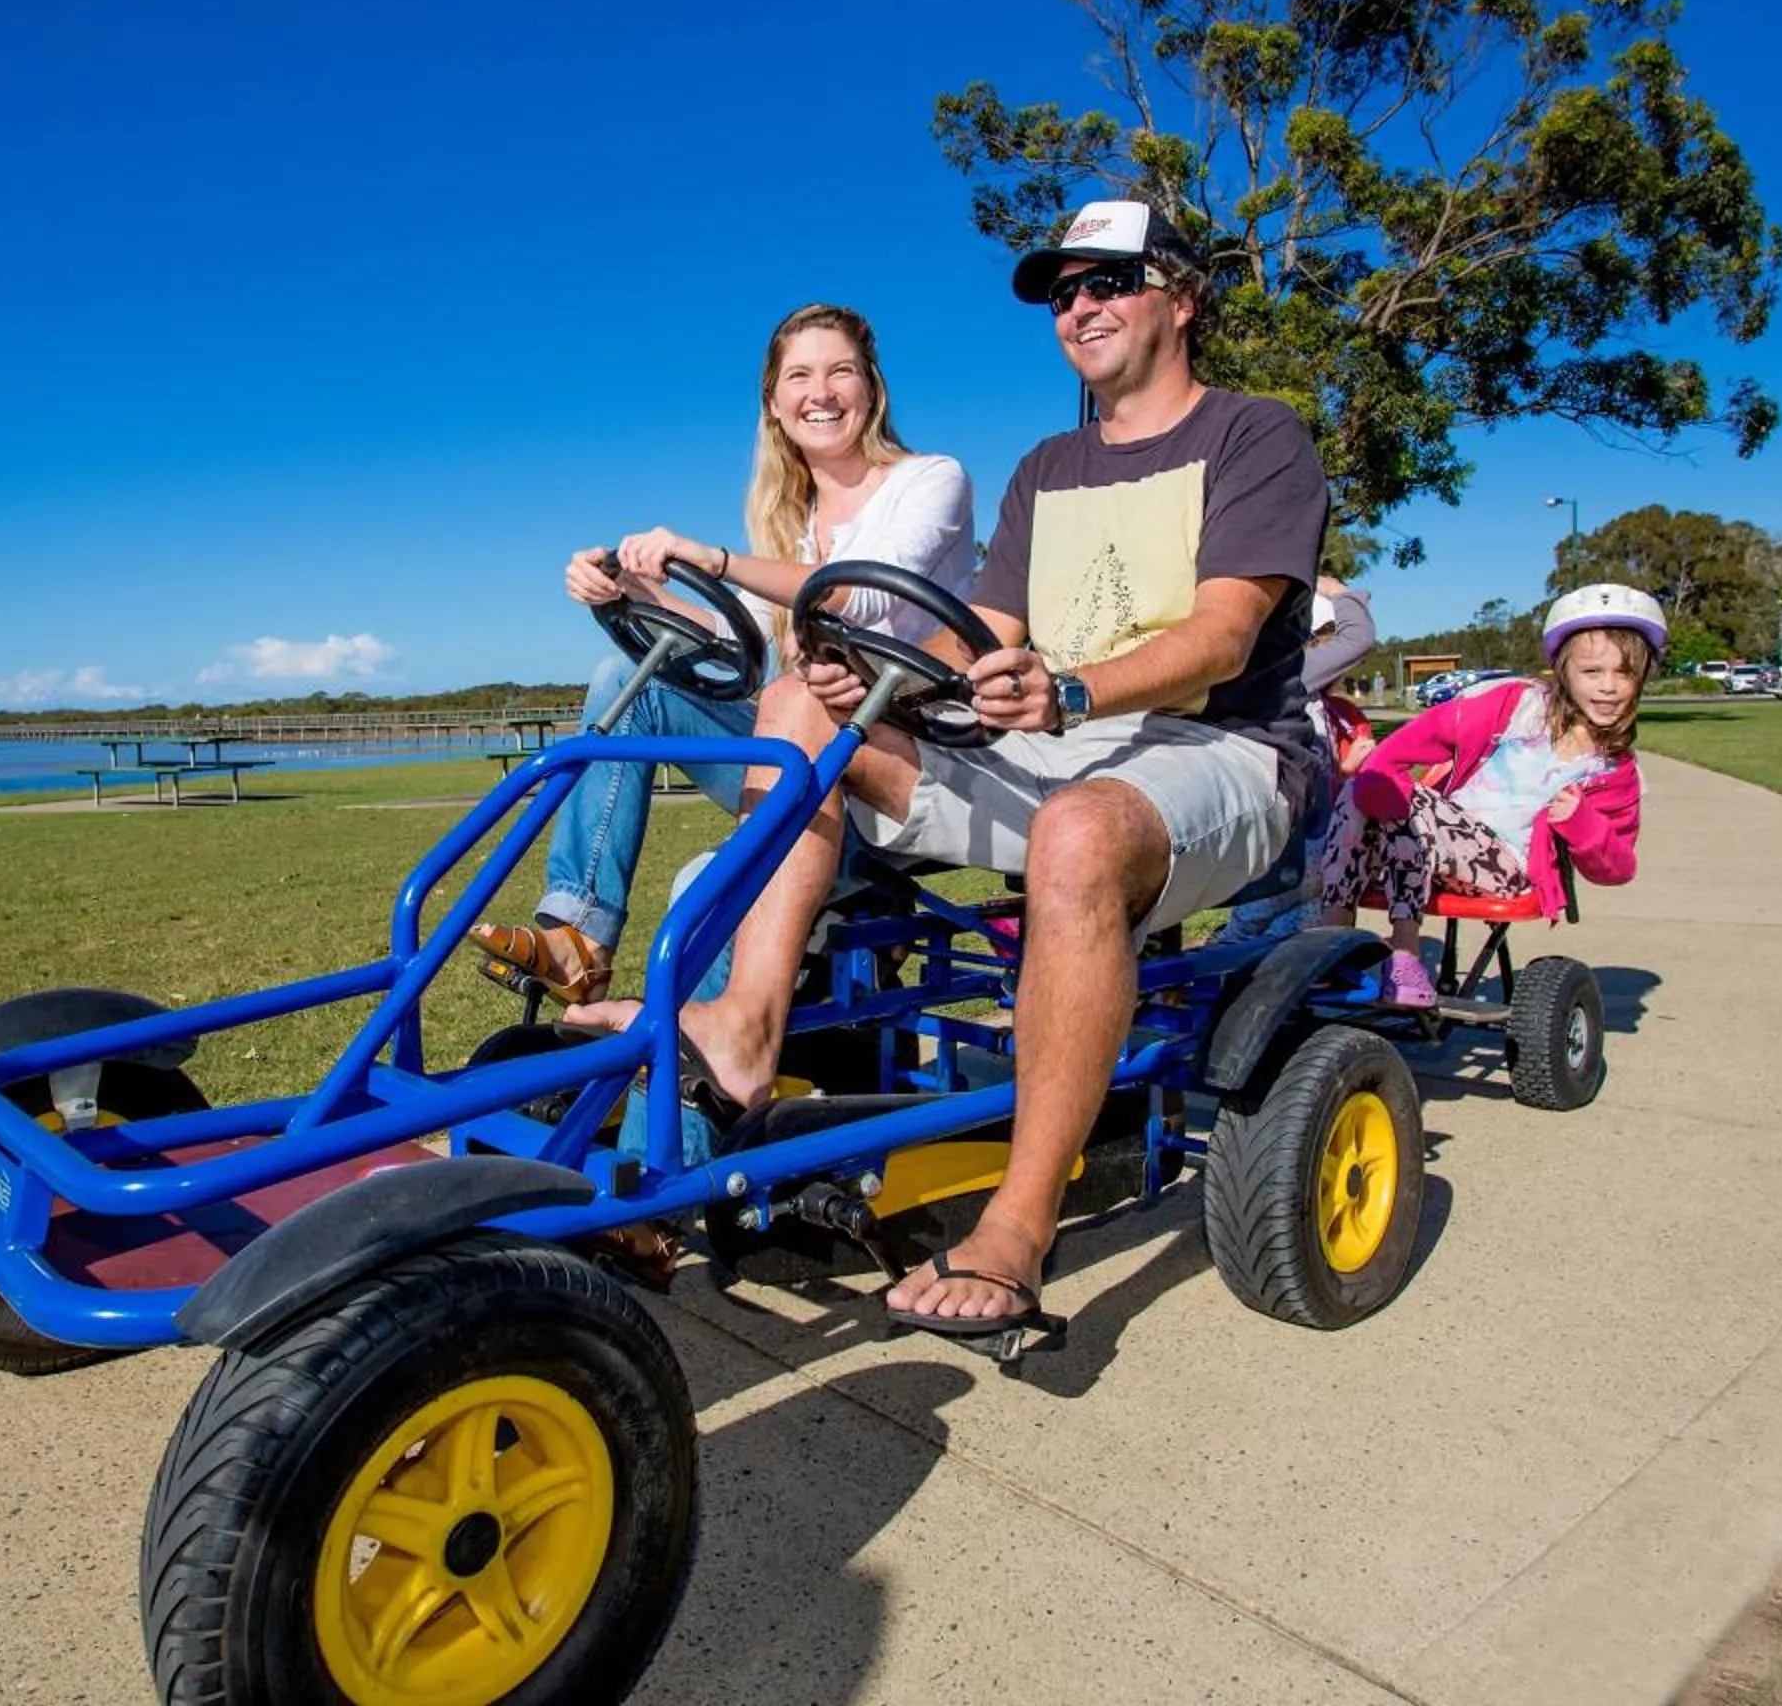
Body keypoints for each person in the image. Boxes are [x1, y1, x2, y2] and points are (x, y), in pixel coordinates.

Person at [571, 198, 1329, 1344]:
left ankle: (1019, 1223)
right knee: (790, 708)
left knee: (1078, 828)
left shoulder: (1254, 434)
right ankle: (746, 1027)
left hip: (1214, 750)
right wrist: (874, 681)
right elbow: (975, 623)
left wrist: (1072, 689)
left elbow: (1225, 636)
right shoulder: (1049, 466)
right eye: (1066, 291)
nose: (1079, 306)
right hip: (1044, 741)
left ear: (1179, 295)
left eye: (1108, 281)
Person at [467, 303, 973, 1005]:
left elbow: (851, 597)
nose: (820, 393)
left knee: (703, 889)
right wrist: (633, 593)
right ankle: (577, 932)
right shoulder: (789, 519)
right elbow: (756, 650)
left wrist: (720, 558)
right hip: (805, 755)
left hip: (893, 774)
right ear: (774, 401)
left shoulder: (931, 481)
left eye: (840, 372)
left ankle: (692, 1085)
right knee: (628, 678)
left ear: (872, 388)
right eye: (799, 376)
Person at [1315, 584, 1661, 1006]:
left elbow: (1618, 867)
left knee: (1415, 804)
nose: (1608, 687)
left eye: (1623, 673)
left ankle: (1404, 956)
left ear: (1640, 678)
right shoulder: (1517, 707)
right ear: (1564, 671)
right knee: (1363, 787)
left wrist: (1581, 821)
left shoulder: (1612, 770)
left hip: (1505, 869)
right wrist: (1379, 774)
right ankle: (1330, 940)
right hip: (1430, 850)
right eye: (1592, 672)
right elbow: (1424, 735)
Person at [1218, 572, 1376, 941]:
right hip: (1295, 841)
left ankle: (1246, 957)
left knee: (1312, 911)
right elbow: (1359, 637)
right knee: (1324, 898)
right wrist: (1339, 592)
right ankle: (1235, 952)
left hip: (1294, 834)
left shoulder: (1299, 691)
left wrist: (1345, 768)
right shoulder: (1293, 671)